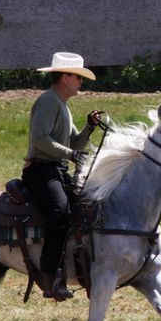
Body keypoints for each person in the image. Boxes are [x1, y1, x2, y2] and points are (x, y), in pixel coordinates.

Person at [22, 52, 102, 301]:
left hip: (55, 170)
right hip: (41, 171)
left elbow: (75, 142)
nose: (81, 82)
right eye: (78, 77)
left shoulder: (62, 105)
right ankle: (48, 275)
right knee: (60, 212)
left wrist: (89, 127)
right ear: (65, 77)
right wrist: (71, 154)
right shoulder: (48, 101)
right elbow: (40, 139)